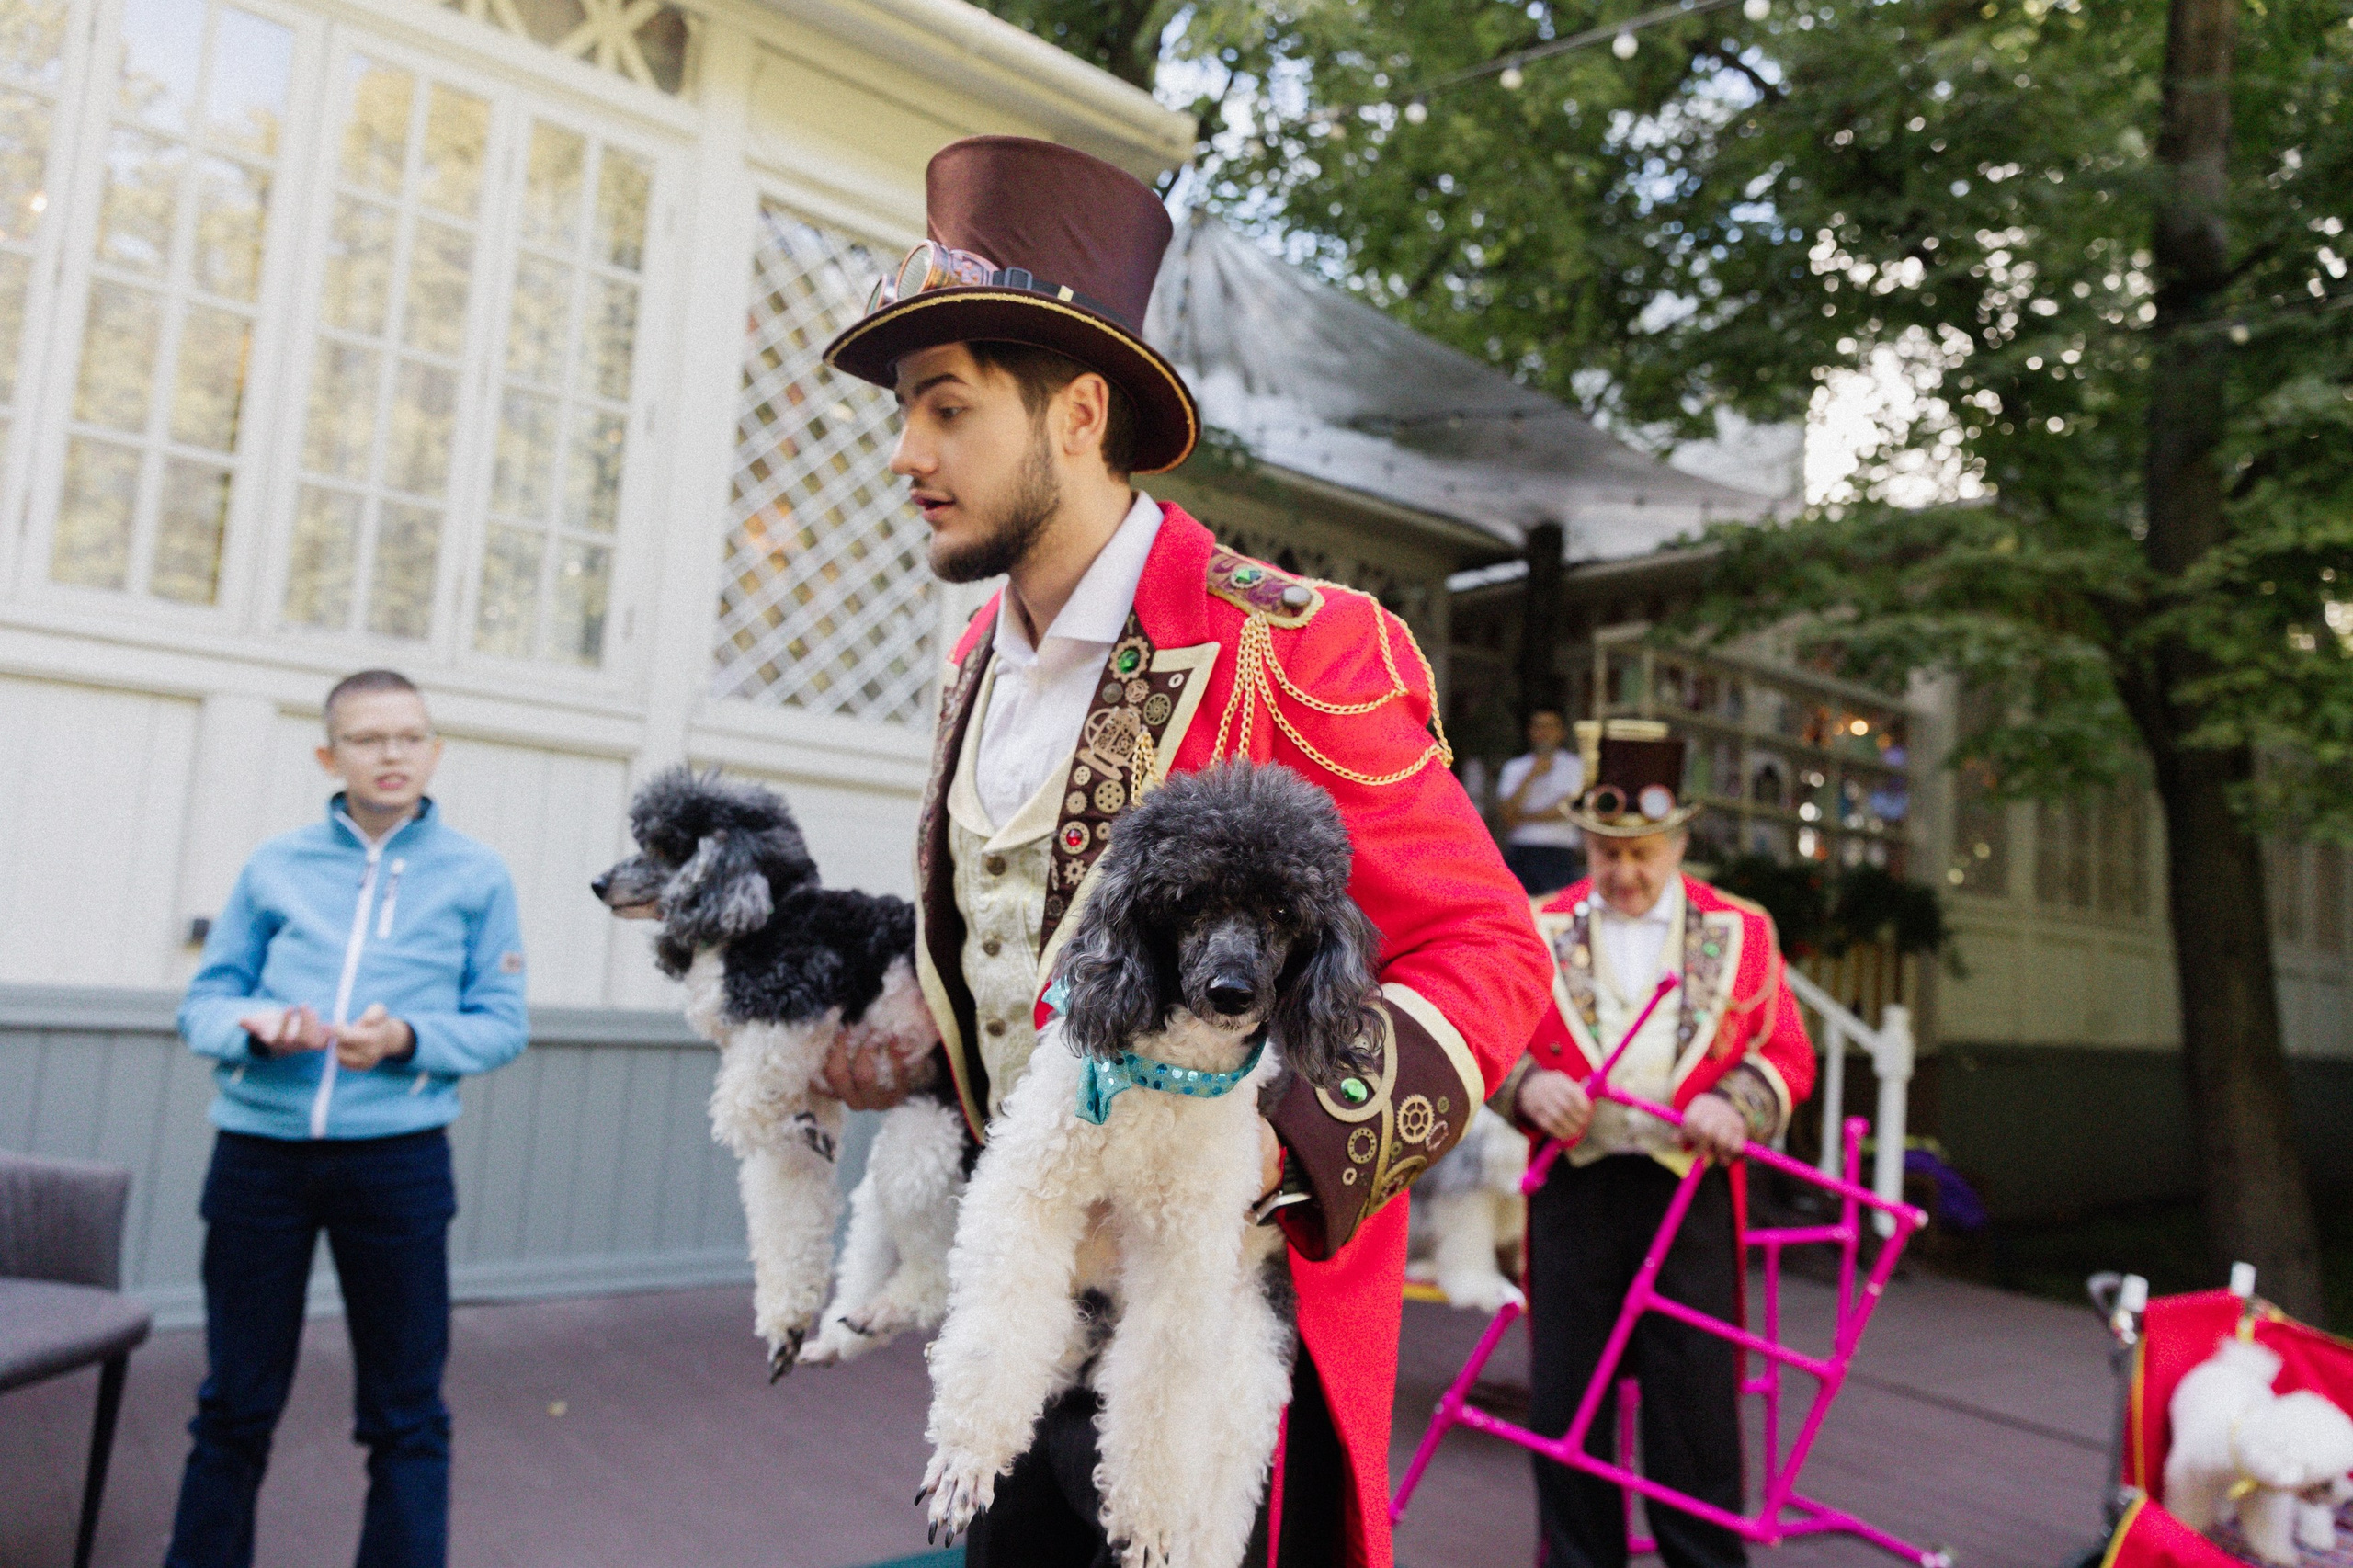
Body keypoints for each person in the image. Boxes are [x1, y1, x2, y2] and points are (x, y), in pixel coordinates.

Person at [814, 134, 1554, 1568]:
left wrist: (1270, 1150)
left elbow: (1493, 950)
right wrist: (921, 1030)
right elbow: (1014, 930)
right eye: (908, 412)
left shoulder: (1299, 646)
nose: (906, 454)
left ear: (1079, 411)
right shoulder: (975, 655)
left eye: (947, 409)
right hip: (1024, 1306)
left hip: (1216, 1333)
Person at [165, 670, 529, 1568]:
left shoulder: (477, 876)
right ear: (331, 755)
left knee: (407, 1410)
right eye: (368, 738)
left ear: (434, 750)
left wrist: (407, 1036)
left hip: (397, 1164)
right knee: (233, 1403)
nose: (392, 752)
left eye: (409, 735)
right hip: (258, 1159)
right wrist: (257, 1027)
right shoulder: (274, 865)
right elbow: (205, 1002)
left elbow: (501, 1022)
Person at [1492, 720, 1816, 1568]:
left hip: (1688, 1196)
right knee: (1568, 1404)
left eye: (1642, 854)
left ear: (1678, 843)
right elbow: (1485, 1042)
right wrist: (1528, 1087)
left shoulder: (1741, 930)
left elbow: (1785, 1052)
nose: (1623, 873)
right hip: (1574, 1188)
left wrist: (1739, 1106)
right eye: (1605, 853)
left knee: (1695, 1409)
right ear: (1585, 844)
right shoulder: (1536, 925)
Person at [1495, 707, 1586, 893]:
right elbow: (1506, 814)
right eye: (1538, 726)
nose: (1544, 733)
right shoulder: (1515, 767)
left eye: (1550, 727)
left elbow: (1567, 810)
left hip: (1558, 850)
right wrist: (1531, 775)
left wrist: (1522, 818)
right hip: (1521, 848)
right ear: (1530, 731)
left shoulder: (1575, 767)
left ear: (1561, 732)